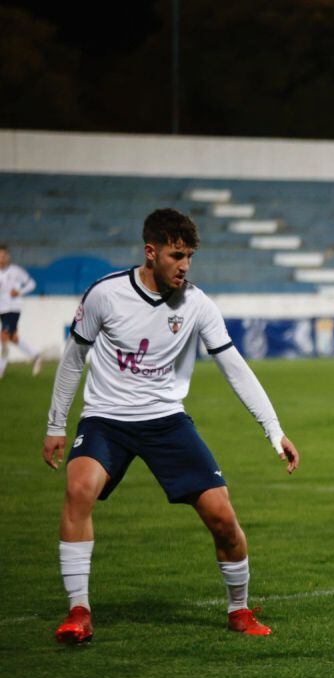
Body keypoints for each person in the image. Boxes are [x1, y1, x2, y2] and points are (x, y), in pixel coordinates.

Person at [42, 209, 300, 644]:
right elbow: (74, 359)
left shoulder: (197, 304)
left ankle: (239, 609)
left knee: (222, 517)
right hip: (107, 419)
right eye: (176, 255)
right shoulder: (105, 295)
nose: (184, 266)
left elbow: (234, 366)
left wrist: (274, 430)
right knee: (78, 489)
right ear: (151, 251)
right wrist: (55, 424)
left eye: (190, 257)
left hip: (166, 422)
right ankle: (78, 611)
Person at [0, 245, 43, 378]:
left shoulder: (16, 271)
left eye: (3, 255)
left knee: (4, 336)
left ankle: (0, 370)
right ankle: (36, 356)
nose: (2, 258)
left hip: (13, 308)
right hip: (2, 308)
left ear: (8, 256)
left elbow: (32, 284)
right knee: (13, 338)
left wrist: (19, 292)